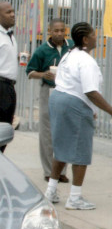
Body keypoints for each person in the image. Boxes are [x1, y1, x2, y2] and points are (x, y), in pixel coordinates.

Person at [44, 22, 112, 210]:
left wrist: (92, 110)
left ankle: (51, 190)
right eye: (94, 35)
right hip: (74, 104)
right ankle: (75, 197)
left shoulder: (69, 55)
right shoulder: (87, 61)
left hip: (59, 98)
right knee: (81, 150)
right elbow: (90, 91)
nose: (97, 37)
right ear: (86, 39)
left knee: (61, 146)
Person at [26, 18, 73, 183]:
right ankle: (48, 171)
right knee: (47, 132)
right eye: (56, 31)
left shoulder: (71, 47)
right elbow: (30, 72)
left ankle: (61, 171)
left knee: (65, 130)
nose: (59, 33)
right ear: (49, 32)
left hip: (67, 91)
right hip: (49, 91)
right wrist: (43, 74)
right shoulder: (42, 50)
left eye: (62, 30)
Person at [0, 1, 18, 152]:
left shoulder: (9, 35)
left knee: (6, 126)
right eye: (8, 12)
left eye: (13, 11)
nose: (12, 15)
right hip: (1, 87)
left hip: (9, 87)